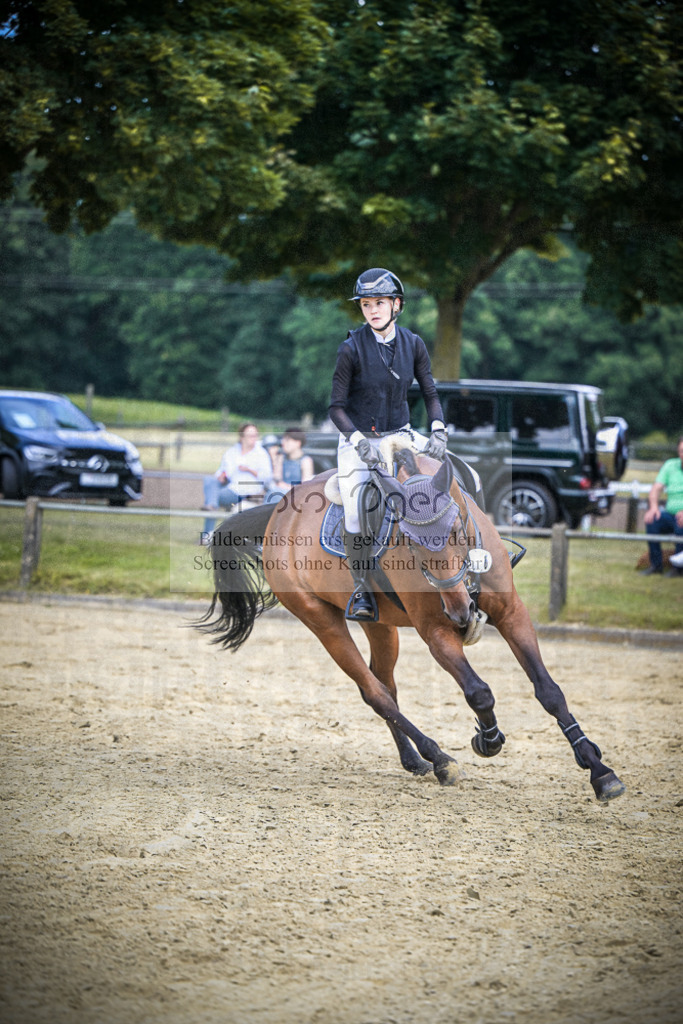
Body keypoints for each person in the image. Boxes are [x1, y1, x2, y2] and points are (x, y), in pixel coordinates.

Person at [328, 267, 447, 620]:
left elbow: (430, 392)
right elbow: (335, 407)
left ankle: (476, 555)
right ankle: (362, 589)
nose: (372, 310)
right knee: (355, 507)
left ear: (397, 305)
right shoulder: (350, 348)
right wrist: (357, 440)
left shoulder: (414, 344)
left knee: (458, 472)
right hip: (358, 440)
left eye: (379, 302)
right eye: (366, 304)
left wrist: (438, 428)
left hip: (403, 434)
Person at [201, 422, 273, 539]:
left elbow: (268, 477)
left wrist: (250, 470)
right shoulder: (232, 452)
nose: (253, 439)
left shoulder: (261, 454)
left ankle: (207, 531)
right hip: (231, 487)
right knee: (210, 481)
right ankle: (212, 506)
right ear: (242, 437)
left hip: (248, 491)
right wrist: (221, 475)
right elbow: (222, 470)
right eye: (250, 436)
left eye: (255, 436)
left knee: (212, 497)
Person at [641, 435, 683, 577]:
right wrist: (653, 508)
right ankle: (656, 565)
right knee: (653, 521)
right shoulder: (670, 465)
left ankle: (678, 568)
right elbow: (656, 489)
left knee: (681, 524)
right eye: (682, 451)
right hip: (671, 514)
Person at [265, 428, 315, 503]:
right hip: (278, 494)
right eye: (283, 439)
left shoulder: (305, 461)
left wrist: (285, 487)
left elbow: (305, 486)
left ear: (298, 443)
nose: (283, 443)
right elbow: (276, 478)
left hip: (296, 498)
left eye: (287, 440)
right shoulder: (281, 458)